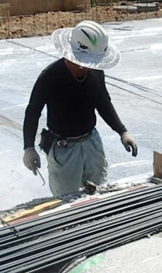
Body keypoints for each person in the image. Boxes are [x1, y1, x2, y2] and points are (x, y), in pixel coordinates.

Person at [22, 20, 138, 197]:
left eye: (89, 63)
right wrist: (28, 147)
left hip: (91, 143)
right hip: (64, 148)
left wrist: (122, 131)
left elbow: (103, 103)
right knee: (67, 199)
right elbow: (33, 111)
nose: (83, 67)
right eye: (80, 62)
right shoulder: (51, 76)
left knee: (97, 193)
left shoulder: (95, 72)